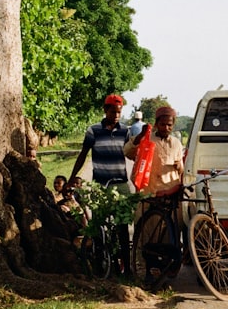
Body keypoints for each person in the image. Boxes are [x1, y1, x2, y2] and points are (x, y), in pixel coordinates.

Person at [124, 105, 185, 286]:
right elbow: (127, 151)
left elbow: (180, 168)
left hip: (168, 198)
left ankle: (163, 274)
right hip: (147, 197)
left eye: (169, 125)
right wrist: (141, 137)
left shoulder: (176, 143)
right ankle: (142, 274)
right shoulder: (146, 139)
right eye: (163, 124)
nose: (166, 128)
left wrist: (178, 178)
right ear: (156, 123)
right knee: (144, 237)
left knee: (167, 238)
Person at [70, 94, 131, 272]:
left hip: (120, 184)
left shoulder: (125, 132)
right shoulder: (93, 131)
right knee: (98, 226)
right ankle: (100, 264)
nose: (116, 116)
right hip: (100, 186)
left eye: (119, 112)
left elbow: (133, 154)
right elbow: (83, 154)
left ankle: (127, 268)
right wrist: (73, 176)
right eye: (113, 112)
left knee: (122, 228)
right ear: (105, 111)